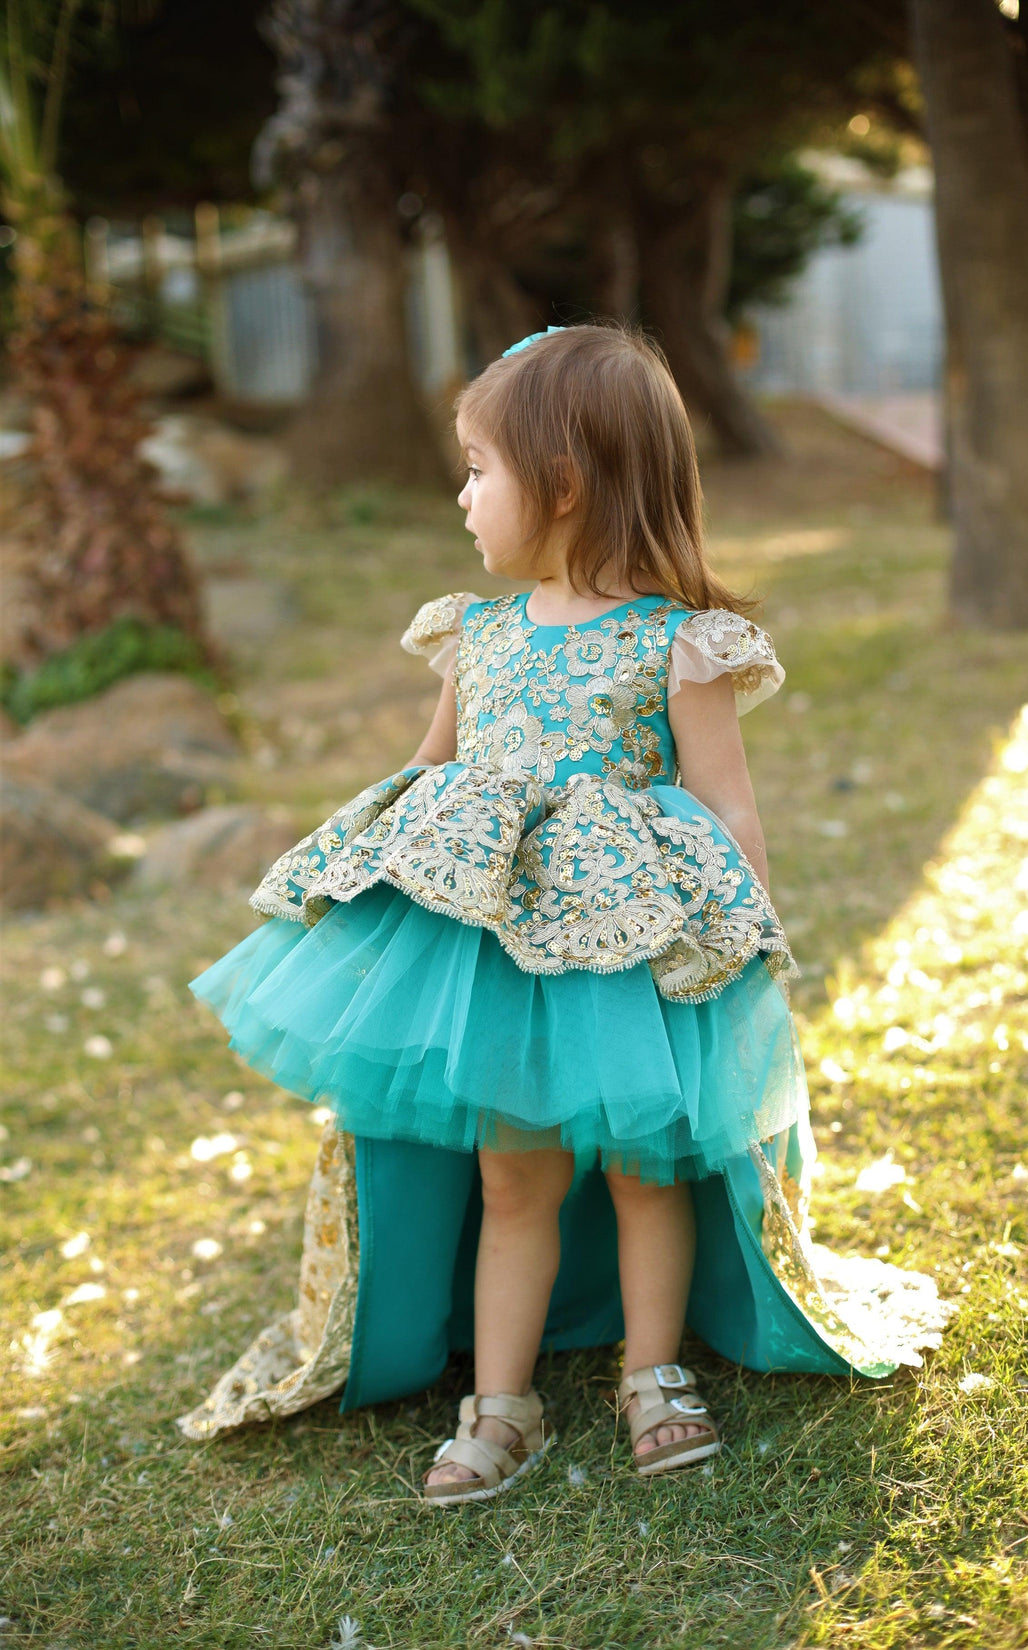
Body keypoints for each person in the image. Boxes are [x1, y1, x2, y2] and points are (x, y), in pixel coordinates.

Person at [180, 322, 950, 1505]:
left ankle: (653, 1375)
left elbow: (728, 809)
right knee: (512, 1182)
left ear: (561, 483)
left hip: (631, 962)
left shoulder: (677, 645)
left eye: (476, 470)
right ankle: (500, 1403)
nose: (461, 496)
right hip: (493, 966)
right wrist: (367, 879)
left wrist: (737, 940)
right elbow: (425, 777)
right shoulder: (476, 638)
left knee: (645, 1172)